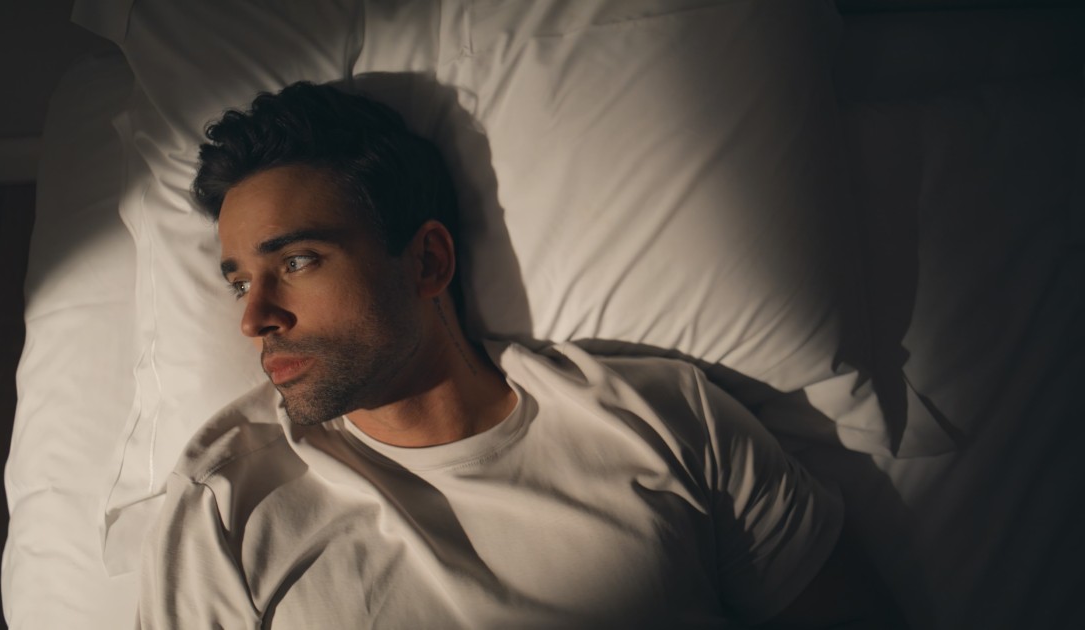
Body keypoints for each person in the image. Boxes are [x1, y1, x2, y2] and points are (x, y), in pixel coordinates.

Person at [136, 81, 904, 629]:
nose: (255, 317)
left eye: (297, 261)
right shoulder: (224, 500)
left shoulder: (661, 416)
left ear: (428, 261)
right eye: (239, 280)